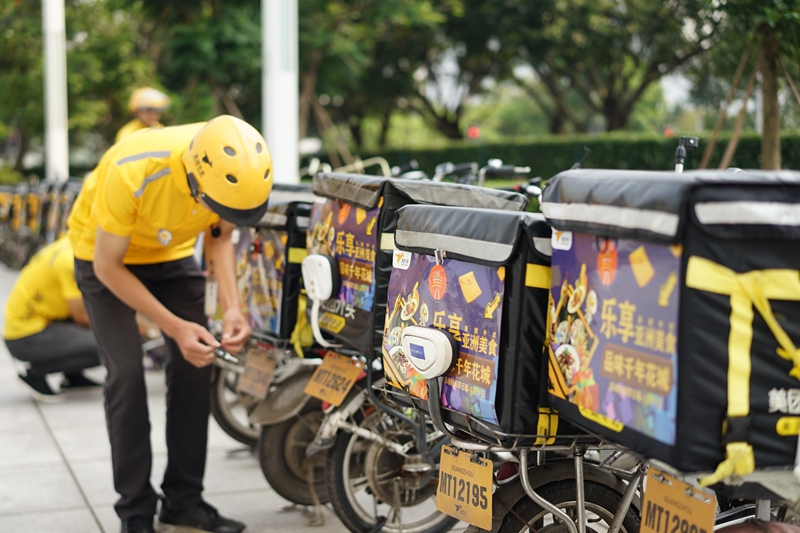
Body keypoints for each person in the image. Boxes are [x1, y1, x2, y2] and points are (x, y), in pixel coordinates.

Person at [68, 115, 273, 533]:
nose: (222, 215)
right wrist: (174, 327)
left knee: (199, 364)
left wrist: (232, 309)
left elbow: (219, 237)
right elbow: (107, 266)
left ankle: (184, 501)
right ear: (196, 183)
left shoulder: (238, 168)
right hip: (104, 258)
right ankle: (136, 512)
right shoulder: (134, 169)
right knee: (125, 372)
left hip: (170, 256)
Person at [3, 236, 101, 402]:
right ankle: (34, 374)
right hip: (26, 336)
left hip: (35, 324)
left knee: (98, 337)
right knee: (104, 346)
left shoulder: (69, 242)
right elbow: (82, 316)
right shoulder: (69, 260)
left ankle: (73, 376)